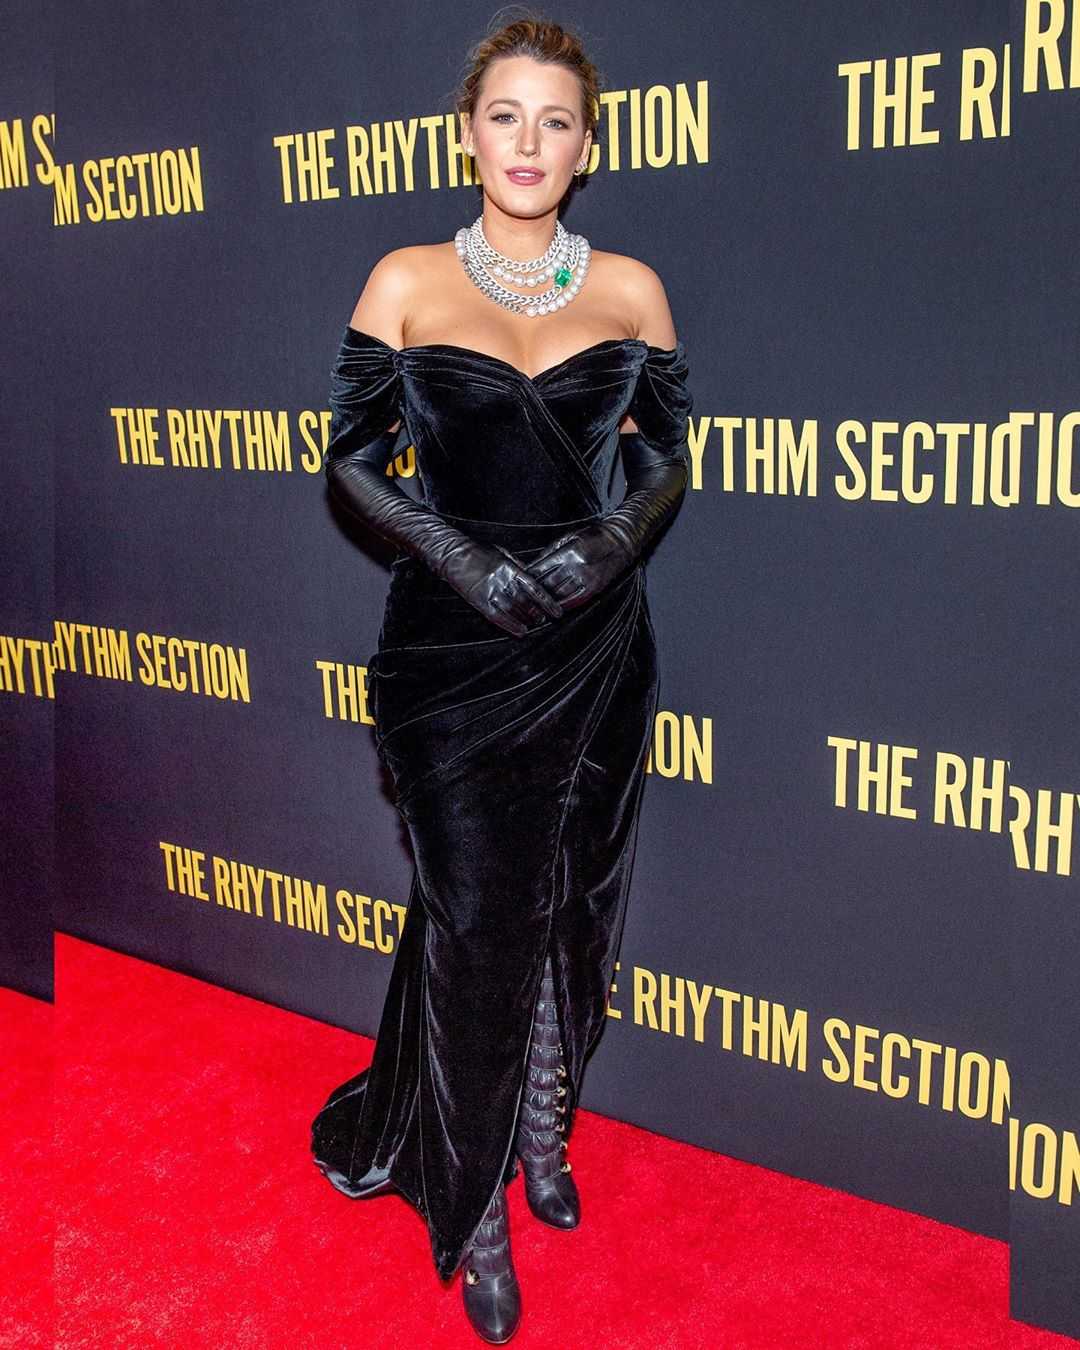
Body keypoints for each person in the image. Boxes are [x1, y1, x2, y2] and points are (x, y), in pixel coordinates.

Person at [310, 16, 693, 1345]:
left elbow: (665, 459)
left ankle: (541, 1132)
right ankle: (477, 1210)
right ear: (467, 132)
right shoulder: (406, 279)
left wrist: (604, 547)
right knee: (477, 923)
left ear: (588, 147)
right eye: (506, 116)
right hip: (449, 653)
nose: (530, 143)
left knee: (569, 906)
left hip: (595, 648)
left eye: (558, 121)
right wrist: (460, 559)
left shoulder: (632, 290)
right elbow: (353, 459)